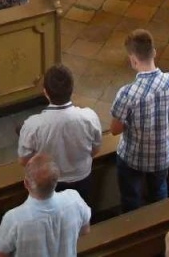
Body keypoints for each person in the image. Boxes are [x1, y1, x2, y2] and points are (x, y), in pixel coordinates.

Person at [110, 29, 169, 211]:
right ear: (154, 52)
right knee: (159, 193)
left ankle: (132, 222)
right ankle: (158, 220)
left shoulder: (127, 94)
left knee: (131, 197)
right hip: (162, 154)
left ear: (133, 60)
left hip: (133, 157)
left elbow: (115, 129)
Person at [17, 64, 104, 204]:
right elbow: (95, 149)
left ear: (45, 92)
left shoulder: (33, 125)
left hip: (49, 184)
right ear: (72, 89)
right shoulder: (89, 117)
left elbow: (24, 160)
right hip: (82, 178)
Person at [0, 154, 90, 257]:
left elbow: (0, 255)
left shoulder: (14, 219)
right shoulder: (74, 200)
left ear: (26, 183)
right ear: (57, 179)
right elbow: (85, 230)